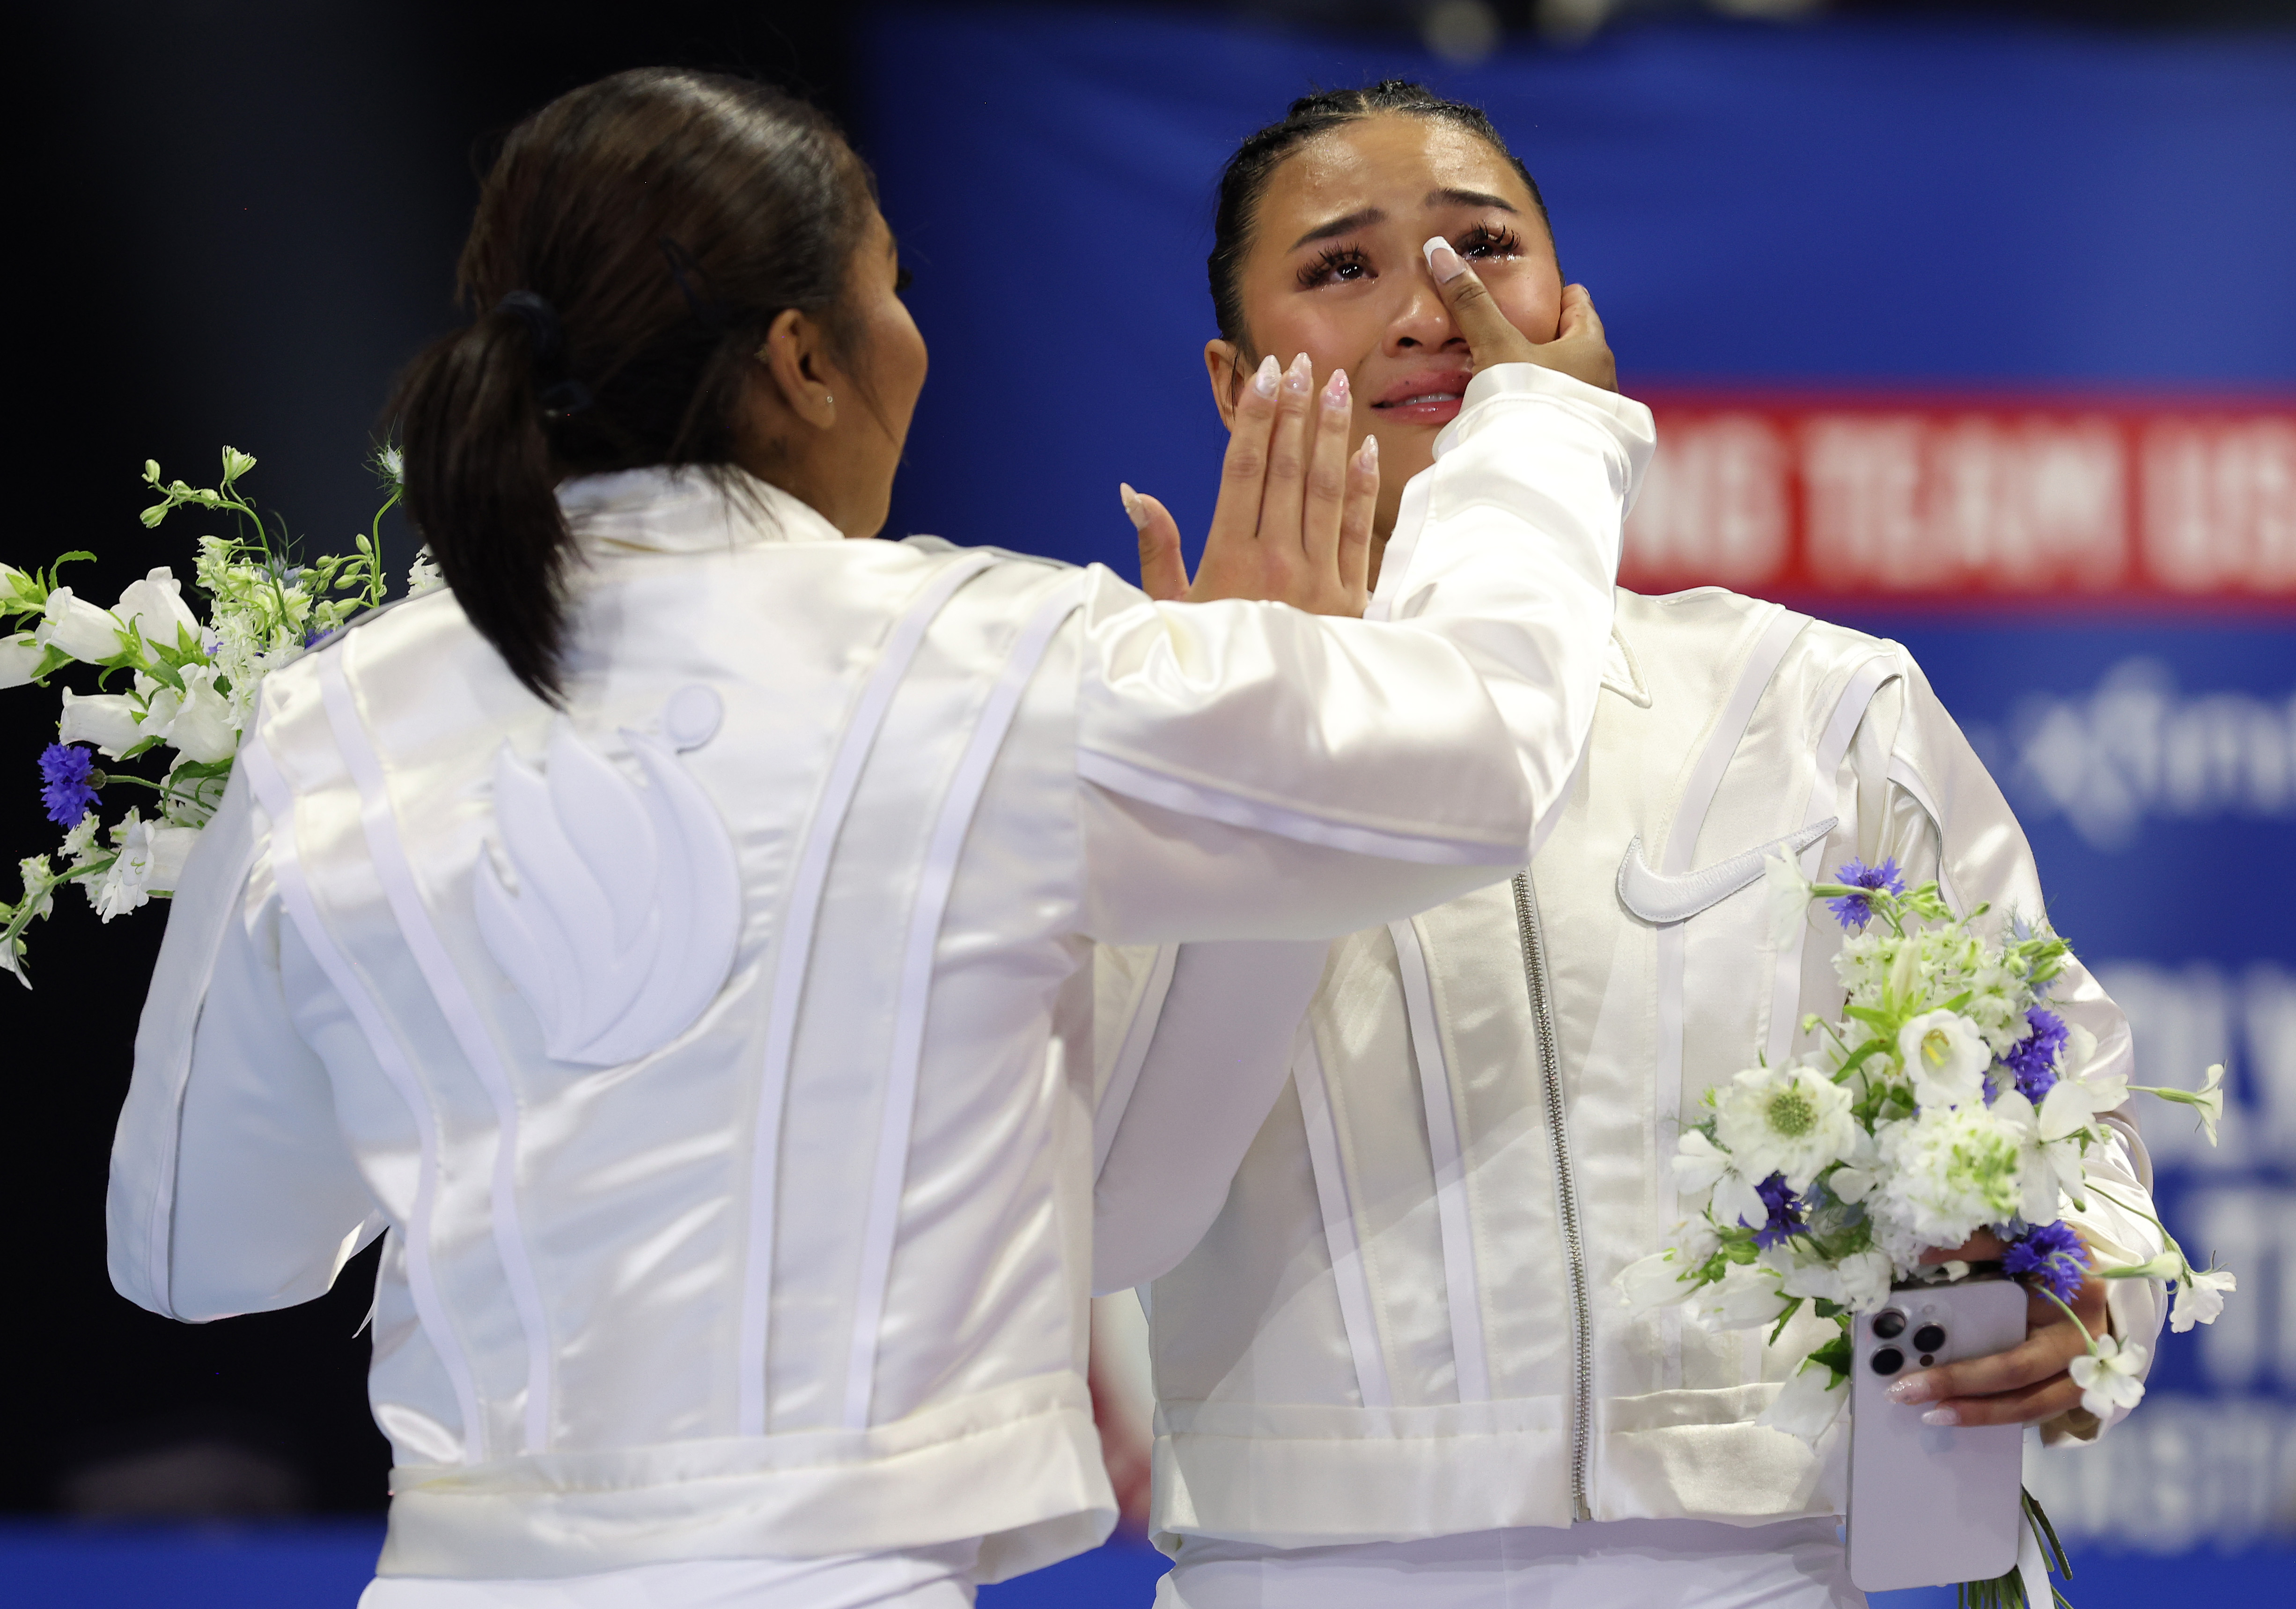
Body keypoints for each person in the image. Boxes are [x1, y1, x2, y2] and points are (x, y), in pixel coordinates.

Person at [103, 69, 1654, 1609]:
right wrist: (1547, 430)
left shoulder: (338, 718)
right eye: (893, 290)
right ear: (805, 360)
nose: (917, 337)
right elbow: (1488, 752)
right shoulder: (988, 660)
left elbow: (198, 1256)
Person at [1091, 82, 2170, 1609]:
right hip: (1308, 1571)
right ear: (1230, 378)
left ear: (1571, 321)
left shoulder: (1816, 701)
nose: (1432, 308)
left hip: (1766, 1569)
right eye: (1343, 268)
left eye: (1485, 247)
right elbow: (1095, 1181)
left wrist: (2081, 1291)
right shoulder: (1130, 712)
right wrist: (1230, 758)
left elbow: (2065, 1104)